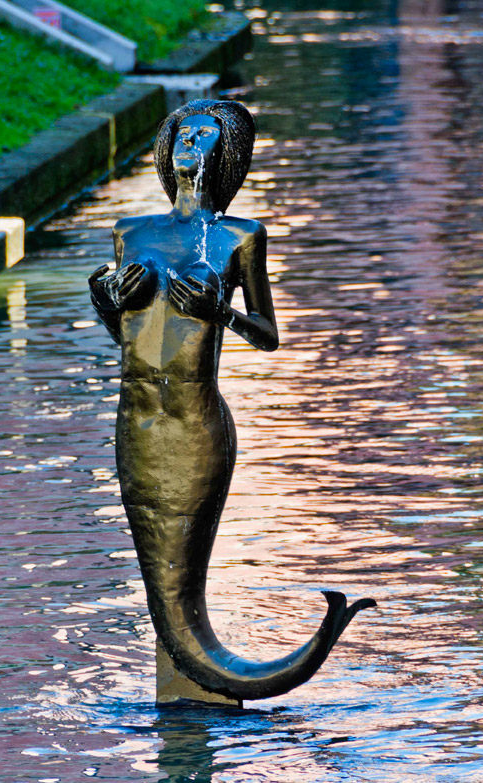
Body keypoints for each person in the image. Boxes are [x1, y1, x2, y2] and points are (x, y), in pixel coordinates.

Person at [89, 100, 373, 704]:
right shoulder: (130, 233)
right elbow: (127, 337)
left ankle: (207, 690)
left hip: (194, 428)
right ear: (168, 149)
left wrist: (223, 313)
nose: (191, 144)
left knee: (182, 583)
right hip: (136, 425)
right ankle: (188, 686)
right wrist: (105, 298)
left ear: (225, 155)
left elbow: (267, 336)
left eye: (205, 137)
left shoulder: (241, 236)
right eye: (183, 134)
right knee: (159, 588)